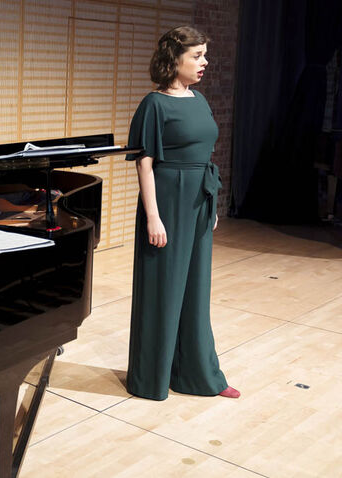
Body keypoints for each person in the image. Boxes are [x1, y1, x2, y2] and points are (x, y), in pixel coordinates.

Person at [125, 26, 240, 401]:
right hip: (167, 201)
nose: (204, 62)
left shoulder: (200, 99)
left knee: (195, 292)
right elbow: (145, 163)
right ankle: (152, 378)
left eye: (205, 55)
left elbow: (204, 156)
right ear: (175, 59)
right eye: (197, 56)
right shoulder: (154, 104)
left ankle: (199, 375)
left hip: (197, 202)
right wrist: (153, 217)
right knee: (164, 290)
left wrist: (210, 205)